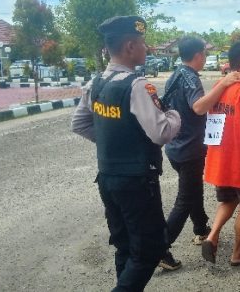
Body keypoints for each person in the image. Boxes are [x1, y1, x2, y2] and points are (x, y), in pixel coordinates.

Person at [71, 16, 182, 291]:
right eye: (143, 43)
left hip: (108, 178)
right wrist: (174, 115)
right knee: (149, 249)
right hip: (136, 182)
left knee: (125, 246)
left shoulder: (95, 82)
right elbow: (161, 133)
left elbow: (80, 123)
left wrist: (117, 142)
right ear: (130, 46)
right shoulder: (137, 86)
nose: (147, 48)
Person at [160, 36, 240, 268]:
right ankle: (160, 248)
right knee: (185, 199)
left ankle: (200, 228)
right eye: (204, 54)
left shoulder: (176, 74)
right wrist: (225, 84)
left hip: (175, 146)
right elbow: (198, 107)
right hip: (189, 148)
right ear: (198, 55)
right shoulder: (190, 78)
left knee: (193, 189)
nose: (205, 57)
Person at [201, 42, 240, 266]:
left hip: (221, 159)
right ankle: (238, 254)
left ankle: (212, 235)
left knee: (227, 200)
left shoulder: (221, 85)